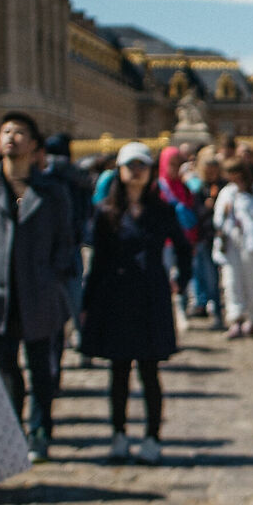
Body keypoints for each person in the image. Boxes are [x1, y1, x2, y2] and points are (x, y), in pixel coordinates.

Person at [0, 110, 77, 461]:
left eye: (20, 132)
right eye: (6, 131)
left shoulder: (52, 191)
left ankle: (40, 430)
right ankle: (12, 429)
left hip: (39, 292)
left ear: (33, 145)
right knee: (5, 368)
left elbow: (67, 241)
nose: (11, 137)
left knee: (42, 368)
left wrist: (53, 275)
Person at [81, 142, 192, 461]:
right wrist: (87, 303)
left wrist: (180, 282)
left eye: (142, 165)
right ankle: (118, 434)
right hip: (115, 297)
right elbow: (98, 261)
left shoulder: (162, 210)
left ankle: (152, 437)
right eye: (131, 165)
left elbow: (183, 248)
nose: (137, 171)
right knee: (118, 370)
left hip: (150, 297)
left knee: (149, 371)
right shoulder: (105, 212)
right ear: (120, 170)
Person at [210, 154, 253, 342]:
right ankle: (235, 318)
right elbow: (217, 219)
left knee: (250, 283)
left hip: (251, 243)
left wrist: (245, 200)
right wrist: (226, 212)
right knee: (231, 282)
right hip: (231, 243)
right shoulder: (226, 192)